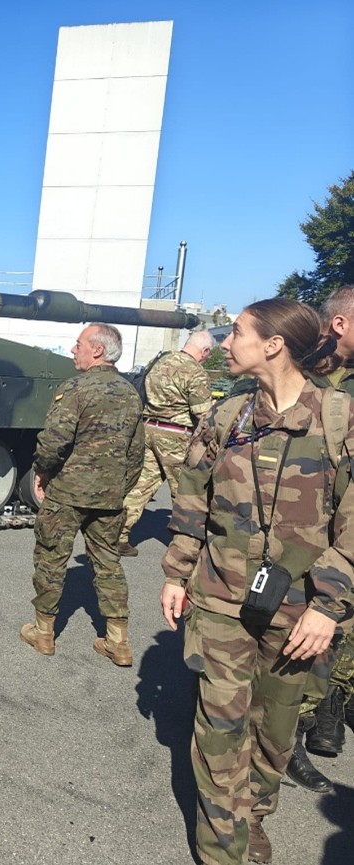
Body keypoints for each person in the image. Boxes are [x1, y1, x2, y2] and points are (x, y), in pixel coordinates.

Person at [160, 298, 354, 865]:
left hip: (301, 611)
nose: (224, 342)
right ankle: (225, 848)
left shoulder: (339, 419)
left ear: (273, 344)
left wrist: (330, 607)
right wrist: (177, 573)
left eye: (237, 332)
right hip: (220, 598)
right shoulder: (227, 416)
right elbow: (192, 498)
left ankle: (252, 816)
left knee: (274, 735)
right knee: (218, 735)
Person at [19, 323, 145, 667]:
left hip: (67, 495)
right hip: (109, 499)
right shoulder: (130, 393)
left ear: (98, 350)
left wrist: (42, 472)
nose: (73, 349)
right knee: (108, 564)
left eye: (78, 344)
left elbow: (54, 441)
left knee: (51, 558)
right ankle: (118, 642)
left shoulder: (76, 388)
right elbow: (137, 453)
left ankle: (43, 633)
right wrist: (120, 487)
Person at [286, 283, 354, 793]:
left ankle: (320, 716)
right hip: (304, 533)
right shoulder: (303, 373)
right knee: (293, 645)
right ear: (340, 324)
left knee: (335, 635)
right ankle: (284, 743)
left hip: (344, 534)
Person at [118, 330, 215, 557]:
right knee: (184, 492)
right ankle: (183, 548)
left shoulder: (160, 359)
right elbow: (202, 413)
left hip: (148, 429)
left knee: (139, 486)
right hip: (176, 437)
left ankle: (118, 536)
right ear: (205, 351)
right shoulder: (195, 371)